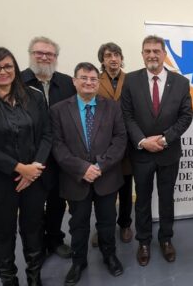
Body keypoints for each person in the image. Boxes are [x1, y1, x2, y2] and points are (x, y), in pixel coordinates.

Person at [0, 47, 52, 286]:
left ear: (15, 68)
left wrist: (34, 167)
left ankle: (35, 278)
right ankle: (9, 280)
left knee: (33, 230)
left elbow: (47, 134)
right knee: (3, 235)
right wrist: (19, 168)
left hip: (34, 178)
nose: (3, 71)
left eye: (8, 66)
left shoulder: (34, 95)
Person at [51, 62, 127, 284]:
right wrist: (83, 168)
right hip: (76, 179)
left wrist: (100, 166)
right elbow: (57, 146)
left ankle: (109, 256)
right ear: (74, 81)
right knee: (78, 223)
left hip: (107, 177)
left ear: (98, 83)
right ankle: (78, 261)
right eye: (83, 78)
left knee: (107, 220)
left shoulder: (112, 107)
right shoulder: (58, 110)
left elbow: (120, 140)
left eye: (93, 79)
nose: (89, 82)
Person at [121, 35, 193, 266]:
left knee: (166, 199)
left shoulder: (180, 82)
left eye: (156, 51)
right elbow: (127, 115)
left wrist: (164, 139)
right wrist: (142, 141)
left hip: (168, 153)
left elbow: (186, 116)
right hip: (141, 153)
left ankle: (165, 239)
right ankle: (143, 241)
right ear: (142, 54)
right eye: (147, 51)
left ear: (164, 54)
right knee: (141, 199)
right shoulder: (130, 80)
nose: (152, 55)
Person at [21, 36, 76, 259]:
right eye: (39, 53)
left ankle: (54, 239)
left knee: (56, 203)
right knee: (31, 210)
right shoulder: (18, 83)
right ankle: (36, 248)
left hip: (59, 158)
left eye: (49, 54)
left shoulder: (67, 83)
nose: (44, 57)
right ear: (30, 54)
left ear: (56, 58)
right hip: (28, 159)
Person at [95, 42, 134, 244]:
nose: (113, 59)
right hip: (102, 144)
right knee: (103, 188)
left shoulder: (132, 80)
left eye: (117, 54)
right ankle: (102, 226)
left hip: (127, 143)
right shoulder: (95, 80)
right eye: (109, 55)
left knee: (126, 187)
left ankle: (125, 224)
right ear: (102, 59)